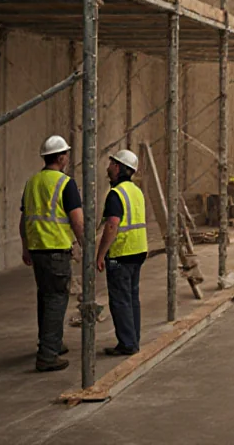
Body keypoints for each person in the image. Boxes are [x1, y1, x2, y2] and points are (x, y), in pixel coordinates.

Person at [21, 134, 85, 372]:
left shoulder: (32, 183)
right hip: (56, 250)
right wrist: (85, 245)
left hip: (38, 250)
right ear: (60, 157)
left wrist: (25, 247)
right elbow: (77, 220)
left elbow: (23, 219)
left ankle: (51, 343)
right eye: (66, 154)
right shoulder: (65, 183)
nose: (67, 158)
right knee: (57, 299)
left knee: (45, 297)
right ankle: (48, 354)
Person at [94, 149, 147, 356]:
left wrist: (100, 254)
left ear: (118, 167)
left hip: (121, 254)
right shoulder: (136, 191)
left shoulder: (115, 194)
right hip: (138, 251)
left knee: (120, 299)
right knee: (132, 297)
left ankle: (127, 343)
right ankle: (133, 339)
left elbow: (111, 226)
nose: (108, 168)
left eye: (111, 164)